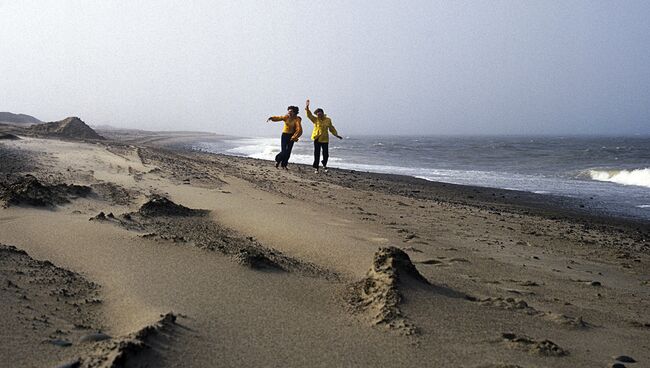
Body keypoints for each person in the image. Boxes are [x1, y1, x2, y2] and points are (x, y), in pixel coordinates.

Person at [305, 99, 342, 173]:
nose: (318, 114)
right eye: (317, 113)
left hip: (325, 139)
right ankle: (316, 168)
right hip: (317, 138)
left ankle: (324, 164)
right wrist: (307, 108)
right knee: (317, 154)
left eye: (320, 113)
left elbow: (331, 128)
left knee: (326, 155)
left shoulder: (328, 120)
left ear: (322, 113)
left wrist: (336, 135)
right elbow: (309, 115)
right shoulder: (315, 120)